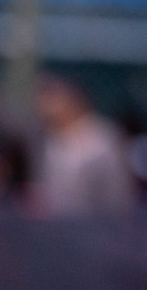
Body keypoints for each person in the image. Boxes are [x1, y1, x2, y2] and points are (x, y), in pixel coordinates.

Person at [32, 74, 136, 218]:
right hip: (55, 228)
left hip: (96, 229)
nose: (43, 105)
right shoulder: (47, 138)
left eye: (51, 97)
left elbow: (118, 194)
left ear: (73, 100)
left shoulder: (102, 138)